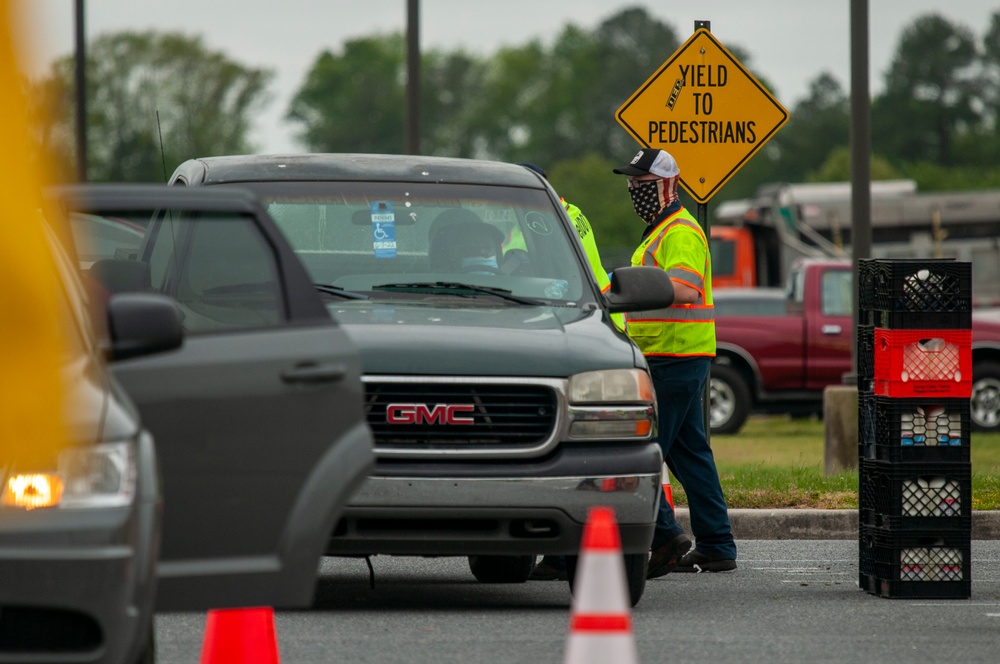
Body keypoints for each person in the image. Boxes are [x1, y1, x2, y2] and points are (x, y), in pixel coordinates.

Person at [612, 147, 737, 577]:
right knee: (689, 454)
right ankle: (718, 545)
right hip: (673, 354)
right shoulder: (658, 231)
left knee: (640, 453)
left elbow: (685, 288)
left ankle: (666, 537)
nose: (635, 191)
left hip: (674, 355)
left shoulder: (680, 231)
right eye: (632, 185)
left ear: (669, 186)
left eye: (643, 185)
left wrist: (628, 293)